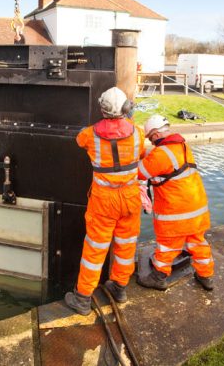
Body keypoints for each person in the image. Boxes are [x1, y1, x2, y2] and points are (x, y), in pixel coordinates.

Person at [64, 87, 145, 315]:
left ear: (102, 109)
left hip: (104, 200)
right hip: (129, 197)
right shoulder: (138, 132)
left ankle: (82, 298)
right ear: (126, 109)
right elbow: (139, 155)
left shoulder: (90, 134)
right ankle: (119, 287)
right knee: (126, 245)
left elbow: (79, 140)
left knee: (95, 248)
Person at [136, 114, 214, 291]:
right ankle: (206, 276)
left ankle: (158, 277)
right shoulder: (182, 146)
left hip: (175, 211)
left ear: (155, 135)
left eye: (150, 139)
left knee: (167, 245)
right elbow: (164, 163)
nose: (151, 142)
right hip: (197, 208)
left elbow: (140, 172)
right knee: (198, 243)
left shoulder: (160, 154)